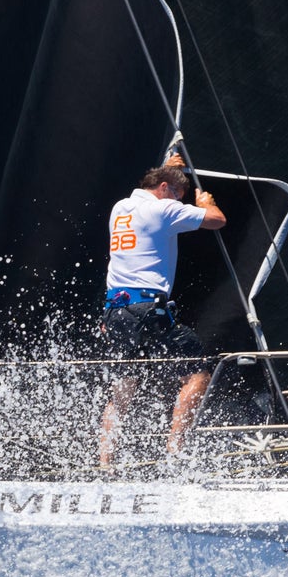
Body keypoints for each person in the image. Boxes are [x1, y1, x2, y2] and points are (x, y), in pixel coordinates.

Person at [97, 157, 226, 469]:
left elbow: (157, 189)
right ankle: (174, 452)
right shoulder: (161, 209)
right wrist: (204, 201)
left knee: (124, 387)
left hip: (115, 311)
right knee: (196, 374)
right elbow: (216, 219)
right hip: (147, 309)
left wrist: (168, 168)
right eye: (177, 194)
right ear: (164, 188)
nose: (178, 201)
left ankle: (105, 460)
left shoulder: (120, 208)